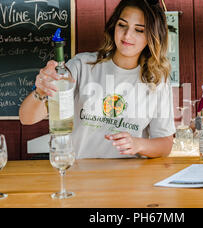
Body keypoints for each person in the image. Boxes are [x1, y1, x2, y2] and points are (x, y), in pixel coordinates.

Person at [19, 0, 175, 159]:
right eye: (122, 25)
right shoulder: (82, 66)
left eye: (139, 30)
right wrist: (40, 90)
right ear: (114, 26)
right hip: (79, 175)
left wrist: (138, 144)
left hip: (129, 178)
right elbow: (27, 118)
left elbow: (165, 144)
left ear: (153, 36)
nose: (127, 35)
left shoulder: (157, 80)